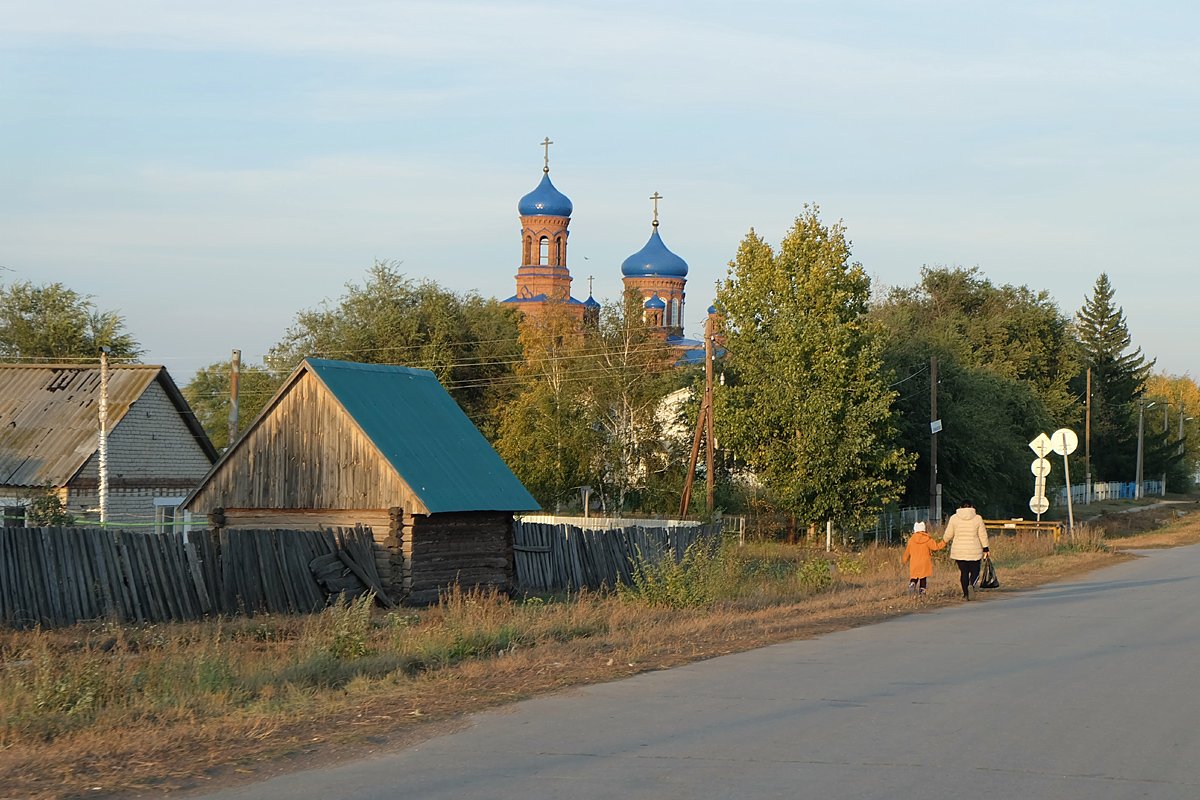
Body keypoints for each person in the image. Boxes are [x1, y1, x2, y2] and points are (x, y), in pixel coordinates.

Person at [942, 500, 990, 600]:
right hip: (974, 550)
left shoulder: (954, 518)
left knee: (964, 572)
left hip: (959, 550)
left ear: (960, 507)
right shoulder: (977, 518)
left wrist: (943, 542)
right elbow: (982, 534)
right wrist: (986, 548)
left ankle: (965, 594)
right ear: (972, 507)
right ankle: (971, 585)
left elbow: (948, 534)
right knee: (975, 572)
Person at [902, 521, 944, 596]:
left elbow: (907, 552)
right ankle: (922, 591)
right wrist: (944, 542)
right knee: (923, 577)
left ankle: (912, 583)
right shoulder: (927, 539)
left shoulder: (911, 540)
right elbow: (935, 547)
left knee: (914, 576)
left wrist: (904, 560)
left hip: (914, 562)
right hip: (924, 562)